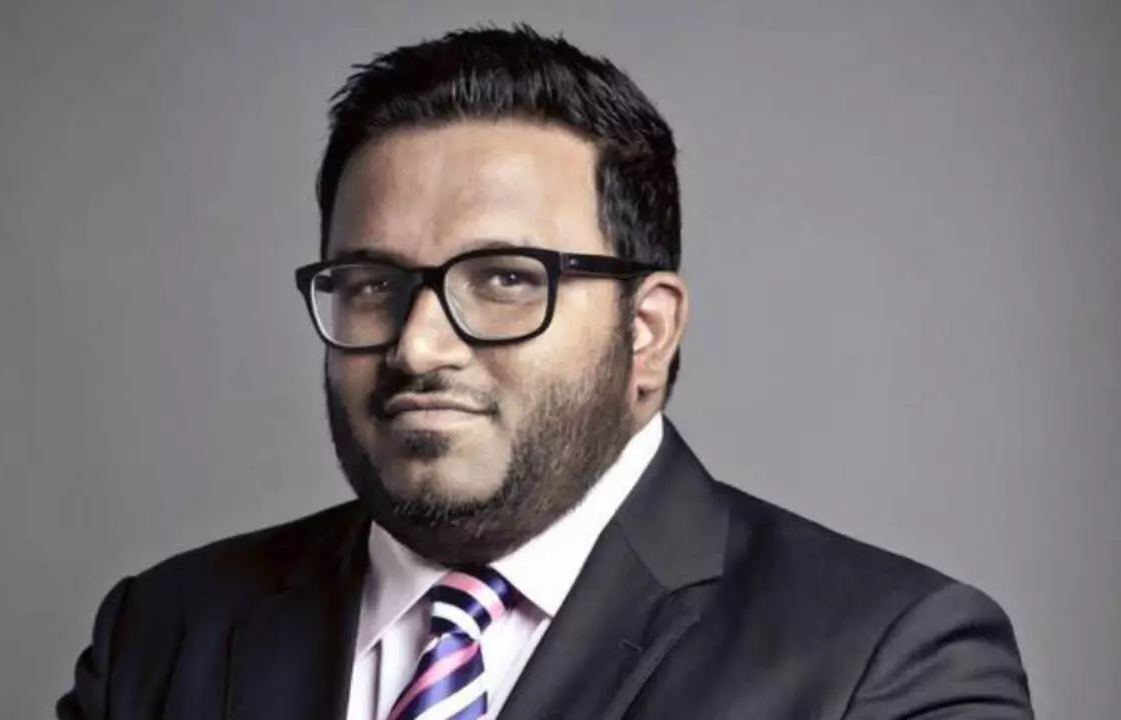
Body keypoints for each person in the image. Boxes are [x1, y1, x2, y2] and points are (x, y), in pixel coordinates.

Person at [57, 25, 1032, 719]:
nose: (417, 347)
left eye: (505, 279)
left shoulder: (888, 662)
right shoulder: (163, 635)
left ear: (646, 331)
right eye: (371, 284)